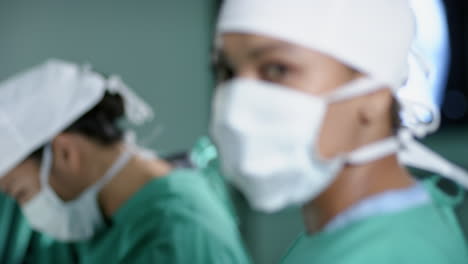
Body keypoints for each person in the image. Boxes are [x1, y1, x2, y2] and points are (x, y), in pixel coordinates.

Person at [210, 0, 468, 263]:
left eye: (278, 69)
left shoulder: (393, 254)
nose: (236, 106)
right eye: (227, 71)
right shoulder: (358, 230)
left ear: (375, 94)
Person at [0, 59, 250, 263]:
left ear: (65, 153)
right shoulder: (109, 221)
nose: (27, 209)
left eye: (21, 193)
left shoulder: (180, 232)